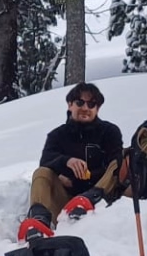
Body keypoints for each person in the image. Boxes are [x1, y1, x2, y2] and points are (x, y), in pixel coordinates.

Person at [21, 82, 124, 237]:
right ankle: (38, 223)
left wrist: (79, 180)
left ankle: (87, 200)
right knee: (41, 173)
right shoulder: (57, 135)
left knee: (120, 161)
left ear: (98, 108)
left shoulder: (109, 132)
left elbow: (115, 167)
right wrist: (66, 161)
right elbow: (46, 162)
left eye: (91, 104)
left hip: (100, 203)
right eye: (80, 102)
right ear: (70, 105)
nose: (85, 108)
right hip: (65, 206)